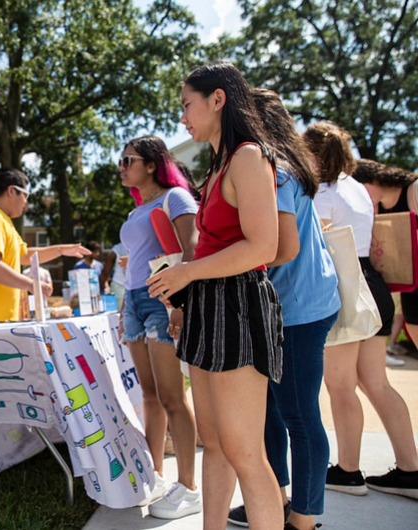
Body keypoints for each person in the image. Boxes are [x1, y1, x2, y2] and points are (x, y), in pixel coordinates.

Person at [148, 63, 284, 529]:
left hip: (239, 308)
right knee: (216, 444)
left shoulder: (249, 157)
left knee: (246, 451)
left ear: (218, 99)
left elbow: (264, 247)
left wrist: (187, 274)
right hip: (210, 307)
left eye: (188, 105)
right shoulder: (219, 165)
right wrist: (185, 296)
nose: (184, 117)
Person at [227, 89, 341, 530]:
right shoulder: (287, 166)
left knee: (297, 415)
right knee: (271, 414)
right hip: (300, 303)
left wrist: (225, 263)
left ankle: (305, 519)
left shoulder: (275, 173)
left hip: (297, 309)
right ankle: (271, 501)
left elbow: (283, 247)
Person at [305, 123, 418, 500]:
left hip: (346, 287)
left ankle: (348, 472)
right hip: (375, 288)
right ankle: (410, 469)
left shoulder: (322, 192)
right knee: (376, 383)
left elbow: (315, 242)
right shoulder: (356, 188)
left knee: (339, 385)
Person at [118, 135, 201, 519]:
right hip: (135, 301)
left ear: (152, 164)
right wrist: (124, 303)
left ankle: (189, 486)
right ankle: (155, 475)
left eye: (128, 160)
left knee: (172, 396)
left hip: (162, 301)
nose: (122, 167)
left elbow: (193, 251)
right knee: (149, 396)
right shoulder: (136, 211)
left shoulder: (176, 198)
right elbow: (134, 260)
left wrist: (182, 303)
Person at [0, 168, 89, 325]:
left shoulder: (1, 219)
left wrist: (61, 250)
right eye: (26, 195)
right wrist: (32, 285)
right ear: (12, 191)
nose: (26, 202)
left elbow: (25, 256)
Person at [353, 159, 418, 366]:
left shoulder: (413, 189)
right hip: (410, 283)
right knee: (413, 327)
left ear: (374, 180)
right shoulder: (375, 206)